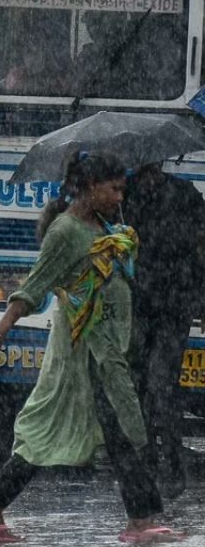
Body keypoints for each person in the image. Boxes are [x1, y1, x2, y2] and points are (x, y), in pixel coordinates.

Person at [0, 151, 183, 544]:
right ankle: (142, 518)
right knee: (120, 426)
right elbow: (34, 285)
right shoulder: (64, 231)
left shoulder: (104, 225)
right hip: (85, 350)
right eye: (113, 189)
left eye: (121, 190)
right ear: (91, 187)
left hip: (107, 348)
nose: (119, 197)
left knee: (63, 429)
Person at [122, 162, 205, 498]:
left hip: (174, 304)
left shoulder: (184, 194)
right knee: (138, 382)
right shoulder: (124, 197)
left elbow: (202, 248)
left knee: (161, 383)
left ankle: (169, 462)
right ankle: (146, 462)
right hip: (139, 303)